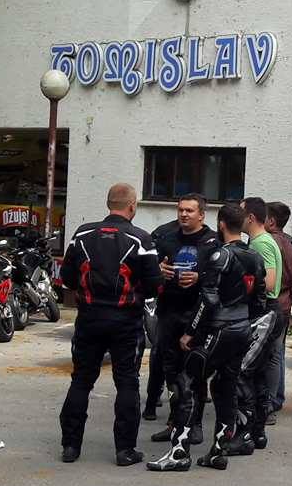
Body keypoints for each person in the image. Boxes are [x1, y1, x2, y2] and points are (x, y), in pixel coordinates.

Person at [148, 202, 261, 471]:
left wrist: (190, 332)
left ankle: (179, 453)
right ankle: (218, 452)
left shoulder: (220, 255)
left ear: (221, 224)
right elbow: (259, 298)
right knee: (224, 387)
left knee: (186, 382)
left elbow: (208, 300)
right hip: (242, 327)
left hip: (220, 328)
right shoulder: (254, 256)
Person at [57, 183, 156, 466]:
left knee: (81, 380)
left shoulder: (82, 234)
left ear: (108, 203)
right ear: (133, 206)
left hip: (89, 319)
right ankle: (125, 450)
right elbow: (153, 286)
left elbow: (67, 279)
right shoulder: (141, 239)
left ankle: (70, 446)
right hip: (126, 323)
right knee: (127, 383)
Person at [147, 194, 220, 440]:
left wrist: (200, 277)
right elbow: (150, 271)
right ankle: (175, 422)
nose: (184, 214)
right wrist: (159, 270)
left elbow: (221, 279)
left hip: (197, 316)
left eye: (189, 211)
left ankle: (194, 425)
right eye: (181, 210)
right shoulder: (167, 239)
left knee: (196, 371)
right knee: (171, 370)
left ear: (201, 215)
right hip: (169, 312)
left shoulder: (213, 242)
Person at [241, 197, 283, 447]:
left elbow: (269, 282)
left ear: (250, 218)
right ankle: (257, 426)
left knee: (252, 370)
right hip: (264, 310)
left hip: (265, 310)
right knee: (257, 370)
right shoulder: (259, 241)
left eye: (241, 212)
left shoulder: (261, 243)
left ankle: (256, 424)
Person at [266, 201, 292, 413]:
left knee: (270, 355)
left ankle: (269, 401)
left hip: (271, 305)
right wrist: (289, 300)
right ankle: (277, 397)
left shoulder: (264, 242)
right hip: (285, 304)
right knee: (278, 352)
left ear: (271, 221)